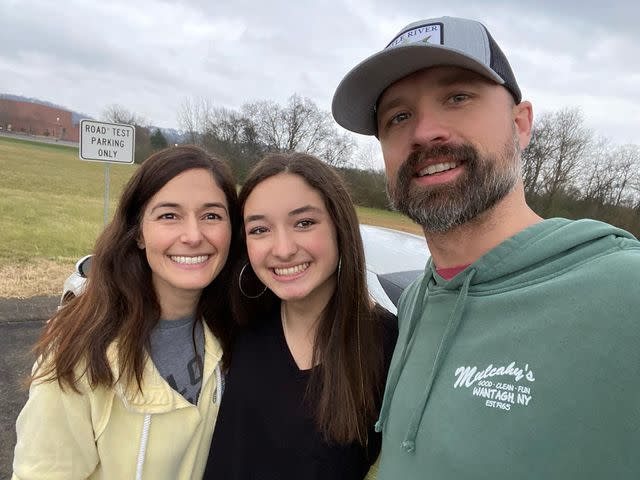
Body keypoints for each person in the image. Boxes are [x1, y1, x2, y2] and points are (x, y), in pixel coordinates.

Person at [332, 15, 640, 479]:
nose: (424, 131)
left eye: (457, 97)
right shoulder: (418, 301)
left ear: (521, 124)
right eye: (398, 116)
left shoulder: (625, 294)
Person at [12, 145, 239, 480]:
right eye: (168, 215)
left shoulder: (234, 329)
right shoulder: (79, 349)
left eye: (212, 215)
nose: (194, 236)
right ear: (139, 234)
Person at [203, 152, 397, 479]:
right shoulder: (232, 318)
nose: (283, 249)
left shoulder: (392, 347)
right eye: (260, 229)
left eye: (304, 223)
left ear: (339, 226)